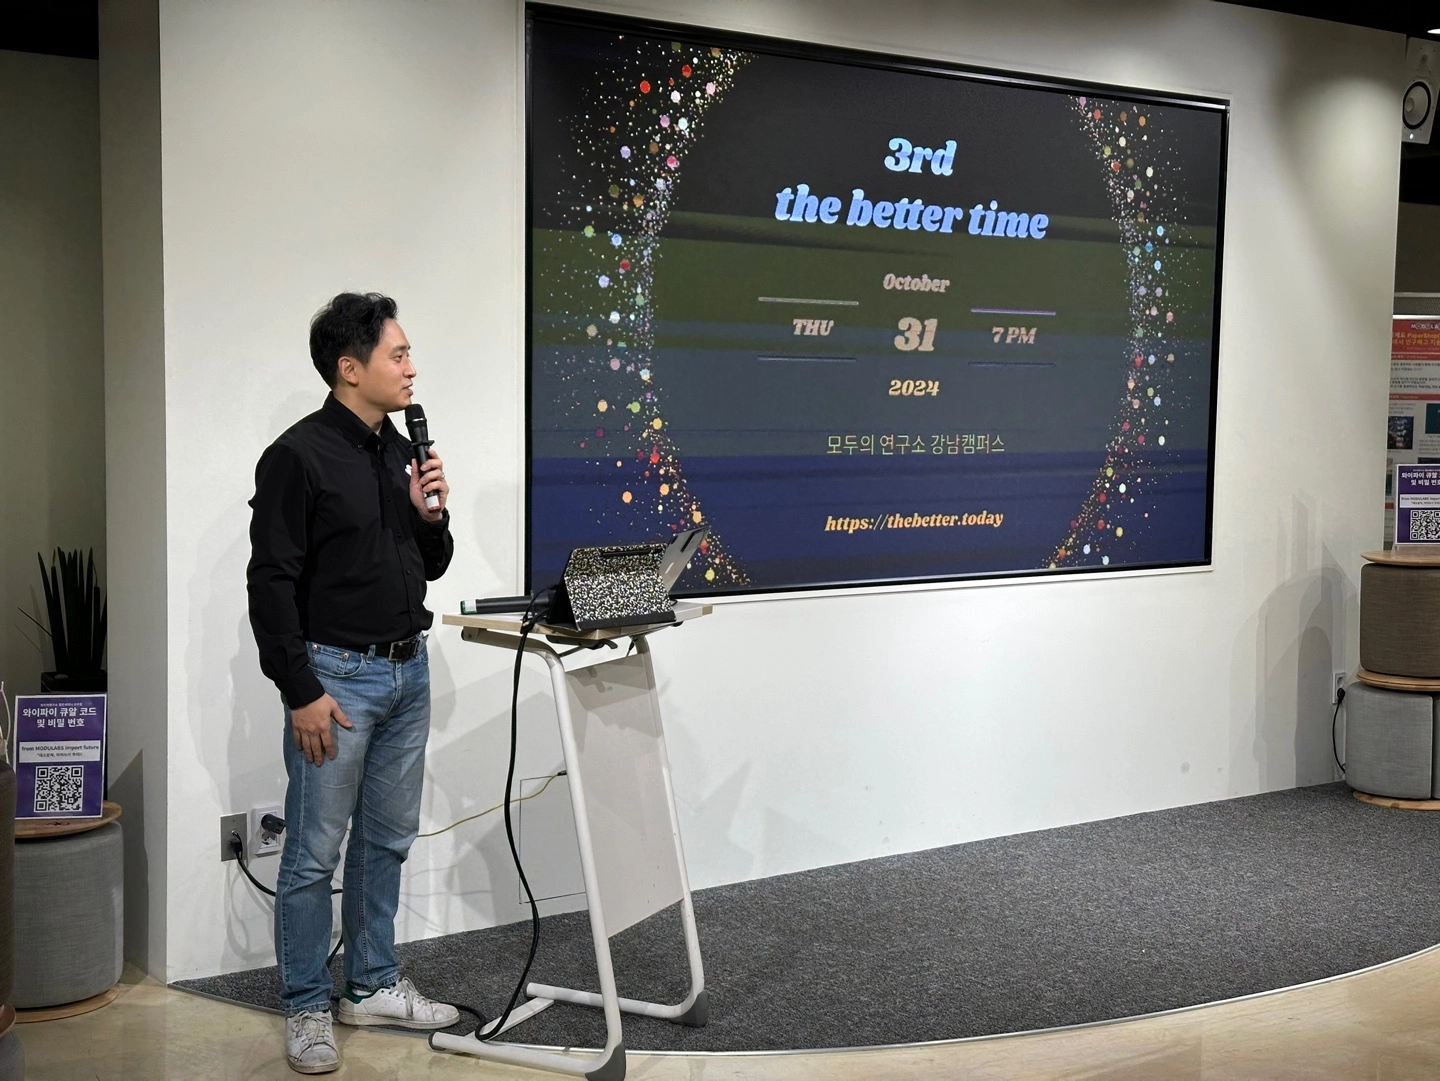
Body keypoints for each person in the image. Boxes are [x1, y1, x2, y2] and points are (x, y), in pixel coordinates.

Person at [247, 292, 459, 1074]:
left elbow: (430, 564)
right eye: (397, 355)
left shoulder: (400, 451)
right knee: (313, 853)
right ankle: (308, 1004)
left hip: (409, 671)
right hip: (336, 680)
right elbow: (271, 582)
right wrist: (300, 689)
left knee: (386, 841)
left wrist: (431, 517)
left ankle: (370, 983)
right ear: (350, 367)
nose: (411, 367)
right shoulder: (297, 457)